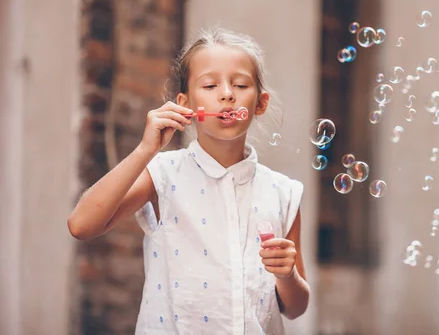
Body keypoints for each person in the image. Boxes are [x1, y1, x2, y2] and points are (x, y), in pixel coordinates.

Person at [68, 27, 310, 334]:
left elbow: (296, 308)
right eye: (210, 85)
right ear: (185, 103)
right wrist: (146, 149)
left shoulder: (282, 193)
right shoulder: (163, 173)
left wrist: (286, 275)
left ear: (260, 103)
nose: (227, 94)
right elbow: (81, 225)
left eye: (240, 84)